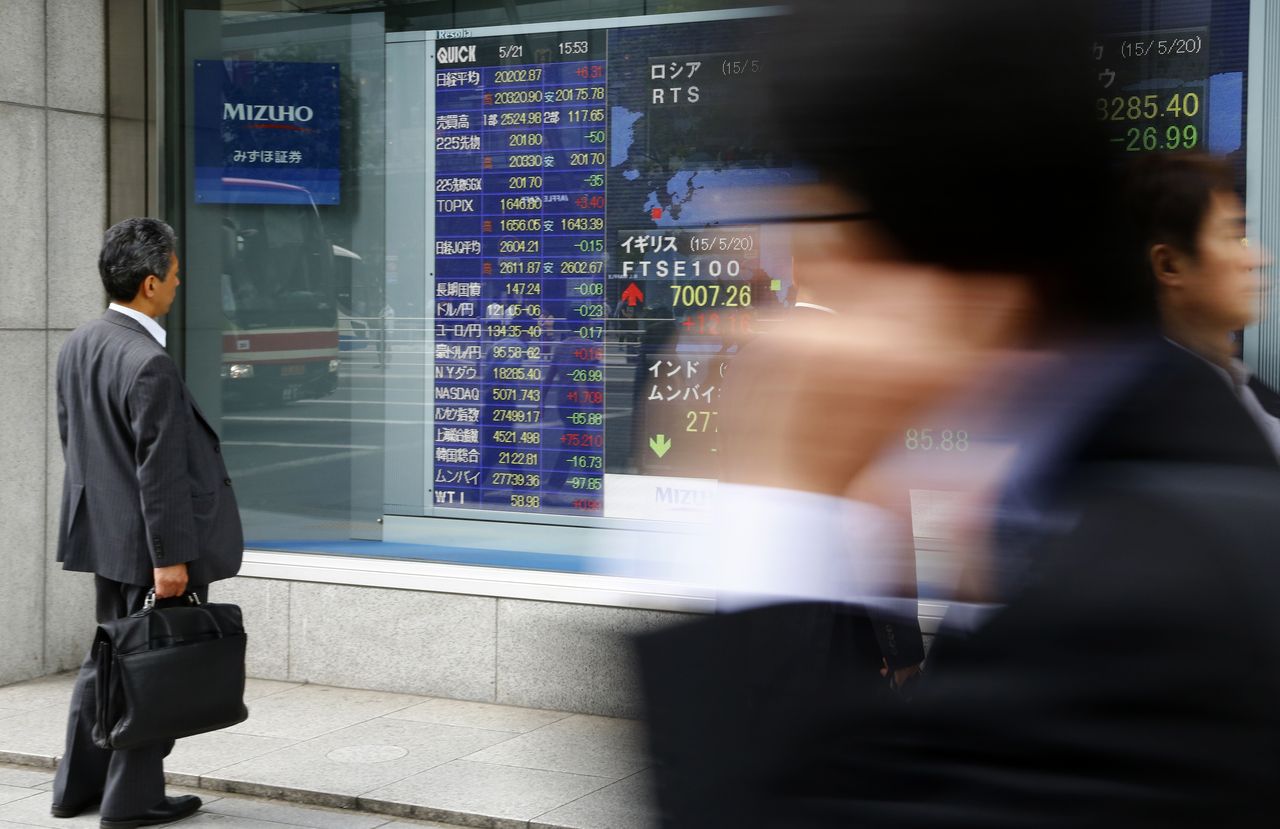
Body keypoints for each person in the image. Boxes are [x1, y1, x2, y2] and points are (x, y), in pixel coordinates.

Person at [636, 1, 1280, 826]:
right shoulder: (1074, 469)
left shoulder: (1147, 588)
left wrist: (780, 503)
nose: (802, 289)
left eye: (829, 227)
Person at [51, 218, 243, 828]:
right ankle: (133, 799)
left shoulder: (80, 342)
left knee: (106, 661)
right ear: (152, 283)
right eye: (178, 276)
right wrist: (170, 560)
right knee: (148, 668)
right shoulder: (148, 360)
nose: (181, 285)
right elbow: (158, 473)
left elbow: (74, 442)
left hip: (105, 533)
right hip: (151, 547)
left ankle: (75, 789)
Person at [1122, 152, 1280, 447]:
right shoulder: (1159, 423)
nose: (1258, 258)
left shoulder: (1239, 387)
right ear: (1169, 265)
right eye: (1232, 236)